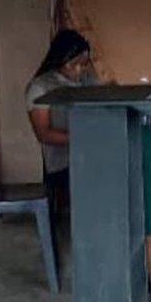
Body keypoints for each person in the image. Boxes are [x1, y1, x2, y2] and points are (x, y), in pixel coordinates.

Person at [25, 29, 99, 230]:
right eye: (73, 64)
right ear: (60, 59)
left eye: (83, 64)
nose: (79, 70)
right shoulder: (41, 87)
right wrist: (81, 139)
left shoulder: (86, 79)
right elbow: (43, 133)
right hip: (64, 161)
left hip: (93, 151)